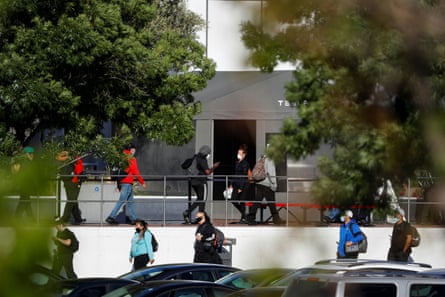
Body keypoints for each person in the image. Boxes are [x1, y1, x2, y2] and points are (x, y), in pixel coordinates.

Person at [106, 144, 147, 225]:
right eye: (133, 150)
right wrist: (142, 182)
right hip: (127, 183)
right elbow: (135, 171)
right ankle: (111, 217)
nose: (134, 151)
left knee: (130, 201)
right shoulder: (131, 158)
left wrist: (118, 185)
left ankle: (133, 218)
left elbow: (119, 172)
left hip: (123, 182)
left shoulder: (121, 158)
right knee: (121, 201)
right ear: (130, 150)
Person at [182, 145, 220, 224]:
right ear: (206, 153)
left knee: (200, 199)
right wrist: (214, 167)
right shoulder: (202, 159)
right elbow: (207, 172)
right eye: (209, 153)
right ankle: (192, 214)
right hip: (201, 182)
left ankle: (195, 216)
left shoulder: (195, 157)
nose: (209, 155)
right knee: (202, 200)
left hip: (193, 181)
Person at [246, 155, 283, 225]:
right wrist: (274, 185)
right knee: (271, 202)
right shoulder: (270, 159)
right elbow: (271, 173)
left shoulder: (261, 157)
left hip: (259, 182)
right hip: (266, 183)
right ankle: (276, 219)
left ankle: (251, 217)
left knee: (257, 201)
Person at [56, 151, 86, 225]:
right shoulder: (75, 160)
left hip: (68, 182)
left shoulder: (67, 160)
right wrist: (79, 183)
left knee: (72, 200)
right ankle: (67, 218)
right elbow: (80, 171)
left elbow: (58, 158)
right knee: (72, 201)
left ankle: (75, 218)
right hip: (73, 183)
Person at [14, 146, 36, 220]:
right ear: (26, 154)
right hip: (25, 186)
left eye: (32, 153)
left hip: (23, 185)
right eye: (30, 153)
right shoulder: (27, 163)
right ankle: (18, 219)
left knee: (26, 202)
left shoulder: (24, 162)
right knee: (24, 202)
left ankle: (31, 219)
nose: (32, 155)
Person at [230, 144, 251, 223]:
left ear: (244, 154)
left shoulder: (245, 163)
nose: (238, 154)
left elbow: (244, 175)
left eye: (240, 153)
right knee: (233, 200)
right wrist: (231, 184)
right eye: (238, 153)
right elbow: (235, 174)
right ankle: (244, 214)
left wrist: (241, 188)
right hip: (236, 184)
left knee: (242, 200)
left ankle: (243, 218)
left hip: (243, 184)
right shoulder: (237, 162)